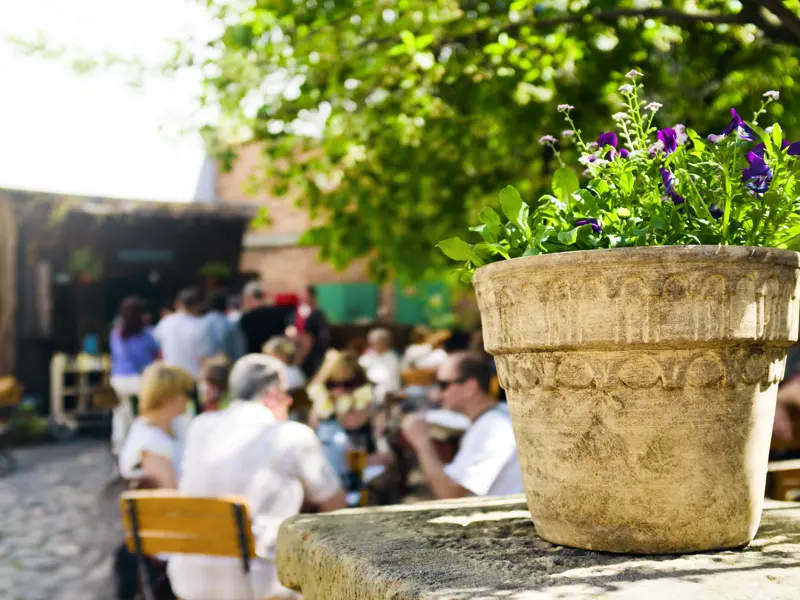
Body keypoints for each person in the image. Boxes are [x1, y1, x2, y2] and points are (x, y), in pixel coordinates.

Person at [167, 354, 346, 600]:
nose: (290, 400)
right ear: (272, 394)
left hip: (191, 582)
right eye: (286, 393)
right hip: (258, 585)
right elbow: (335, 505)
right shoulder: (290, 434)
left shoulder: (199, 427)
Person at [401, 352, 524, 499]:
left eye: (443, 385)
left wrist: (421, 442)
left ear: (470, 387)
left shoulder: (493, 429)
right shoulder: (499, 413)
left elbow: (450, 494)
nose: (437, 393)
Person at [308, 350, 394, 479]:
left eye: (348, 384)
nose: (340, 391)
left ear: (361, 384)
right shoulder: (321, 413)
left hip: (366, 481)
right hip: (332, 481)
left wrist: (353, 462)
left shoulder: (374, 411)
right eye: (332, 385)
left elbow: (389, 458)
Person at [117, 362, 193, 488]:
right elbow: (168, 496)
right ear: (169, 396)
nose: (189, 398)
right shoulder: (149, 442)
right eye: (186, 392)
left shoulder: (170, 425)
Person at [109, 297, 160, 456]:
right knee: (143, 418)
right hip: (140, 380)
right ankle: (140, 450)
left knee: (120, 418)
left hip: (118, 381)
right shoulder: (147, 334)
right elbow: (156, 356)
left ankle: (120, 452)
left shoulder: (116, 333)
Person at [152, 288, 213, 383]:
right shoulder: (200, 326)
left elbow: (157, 352)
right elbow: (204, 360)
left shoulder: (165, 322)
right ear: (197, 305)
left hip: (169, 378)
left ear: (179, 303)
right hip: (192, 379)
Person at [238, 281, 293, 355]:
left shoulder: (246, 318)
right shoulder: (279, 314)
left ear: (250, 298)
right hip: (274, 357)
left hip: (254, 357)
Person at [359, 328, 401, 405]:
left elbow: (394, 378)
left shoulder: (393, 358)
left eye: (382, 342)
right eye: (376, 342)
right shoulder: (366, 358)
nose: (379, 344)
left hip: (389, 391)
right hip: (369, 390)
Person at [202, 289, 245, 362]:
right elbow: (238, 349)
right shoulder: (230, 324)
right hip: (226, 366)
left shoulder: (202, 323)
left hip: (206, 367)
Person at [297, 286, 330, 378]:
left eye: (304, 295)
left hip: (314, 355)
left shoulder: (317, 314)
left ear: (312, 296)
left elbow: (311, 337)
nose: (301, 298)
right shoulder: (304, 312)